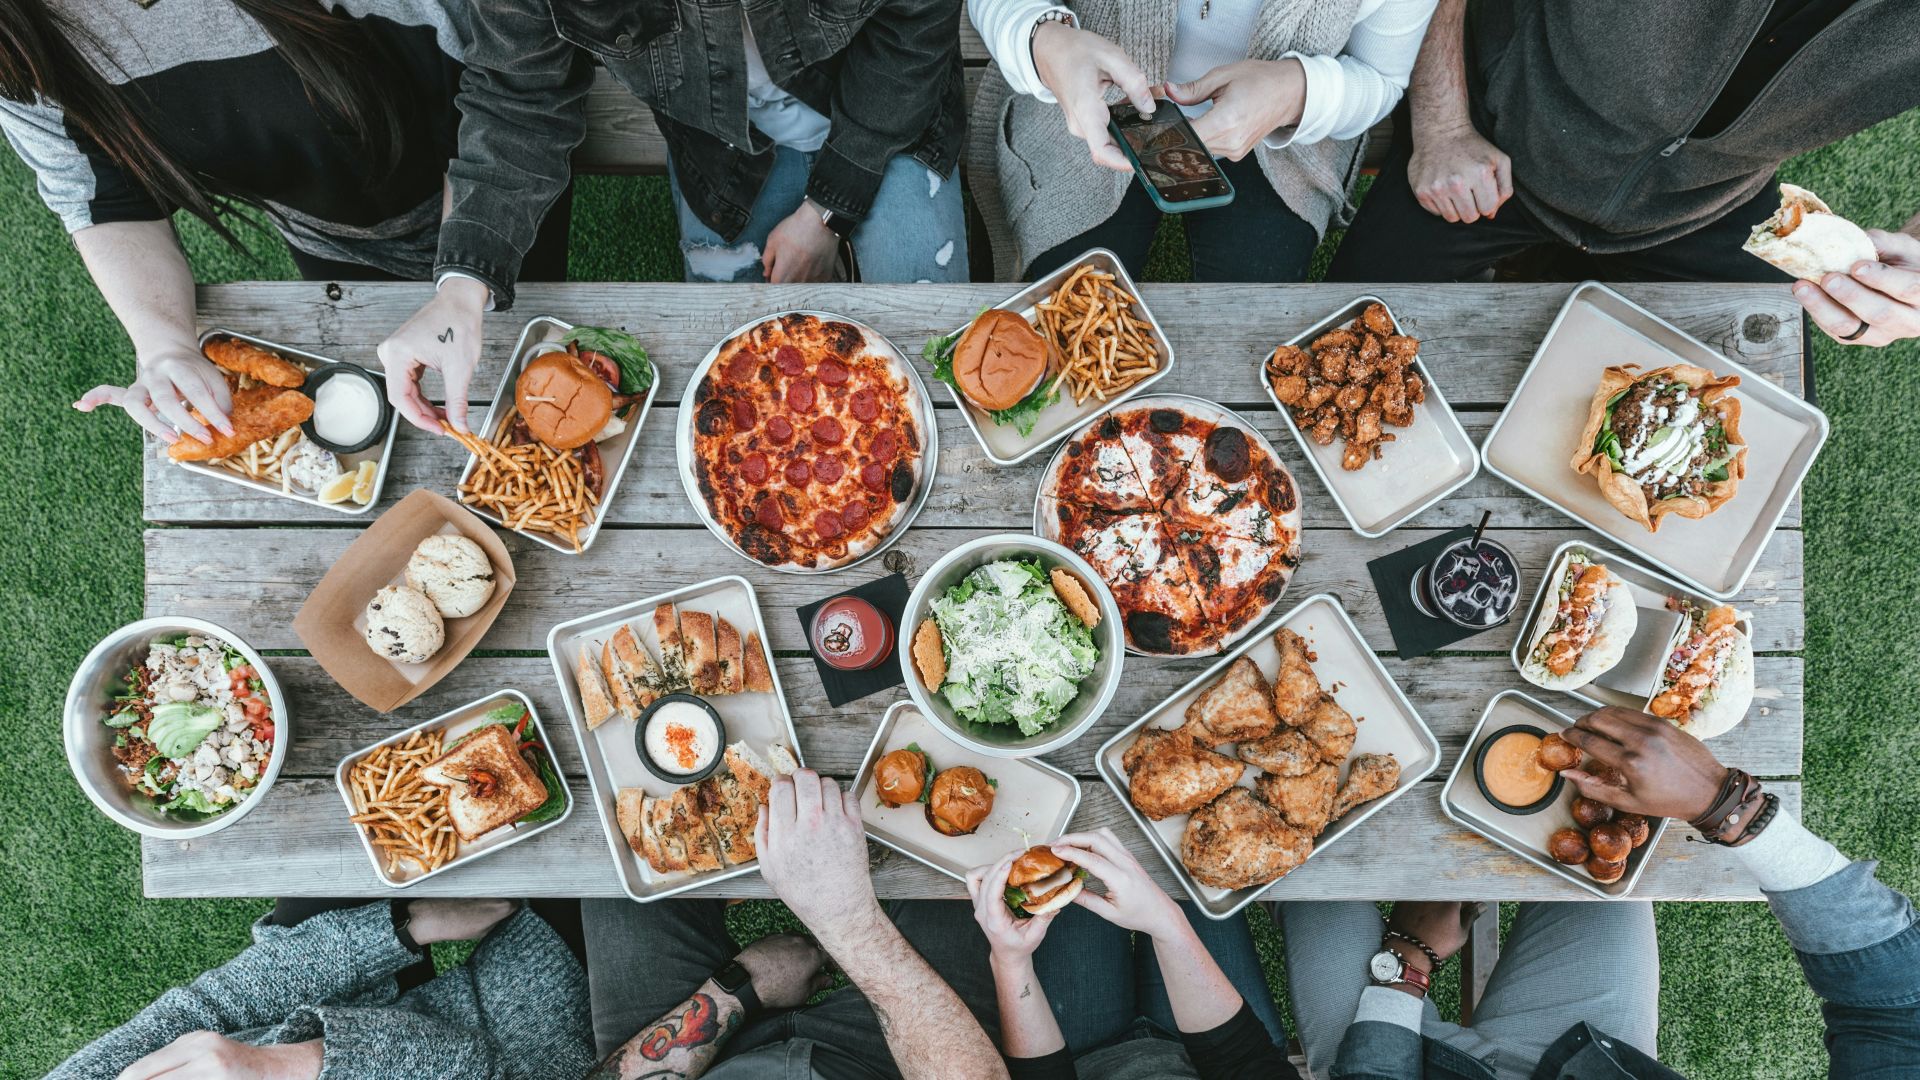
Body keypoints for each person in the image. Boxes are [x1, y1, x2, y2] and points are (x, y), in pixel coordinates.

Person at [379, 0, 970, 436]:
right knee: (739, 403)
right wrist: (461, 290)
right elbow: (518, 95)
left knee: (940, 367)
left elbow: (916, 25)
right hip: (723, 154)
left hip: (888, 119)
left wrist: (827, 212)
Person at [0, 0, 569, 448]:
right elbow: (104, 197)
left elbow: (512, 86)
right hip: (323, 231)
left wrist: (465, 278)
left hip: (492, 189)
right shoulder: (16, 39)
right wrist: (164, 345)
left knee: (528, 370)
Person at [1279, 706, 1920, 1079]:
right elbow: (1896, 1007)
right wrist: (1726, 810)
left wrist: (1409, 965)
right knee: (1600, 874)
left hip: (1397, 1066)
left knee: (1296, 854)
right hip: (1587, 1060)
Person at [1327, 0, 1920, 349]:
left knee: (1747, 448)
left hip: (1711, 197)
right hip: (1502, 128)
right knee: (1341, 343)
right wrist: (1441, 123)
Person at [581, 768, 1009, 1080]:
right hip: (894, 1065)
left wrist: (736, 992)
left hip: (705, 1060)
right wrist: (849, 923)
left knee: (616, 851)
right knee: (960, 863)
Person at [967, 0, 1439, 283]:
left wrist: (1298, 91)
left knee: (1250, 328)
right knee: (1067, 319)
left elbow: (1379, 75)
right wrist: (1044, 43)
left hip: (1283, 144)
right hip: (1087, 106)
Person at [47, 897, 592, 1079]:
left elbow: (216, 1005)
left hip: (350, 1004)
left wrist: (402, 926)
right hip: (514, 1043)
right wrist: (283, 1066)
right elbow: (468, 1063)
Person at [968, 828, 1299, 1079]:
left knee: (1057, 829)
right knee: (1196, 850)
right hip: (1222, 1053)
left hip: (1081, 1055)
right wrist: (1166, 923)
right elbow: (1245, 1062)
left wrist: (1010, 962)